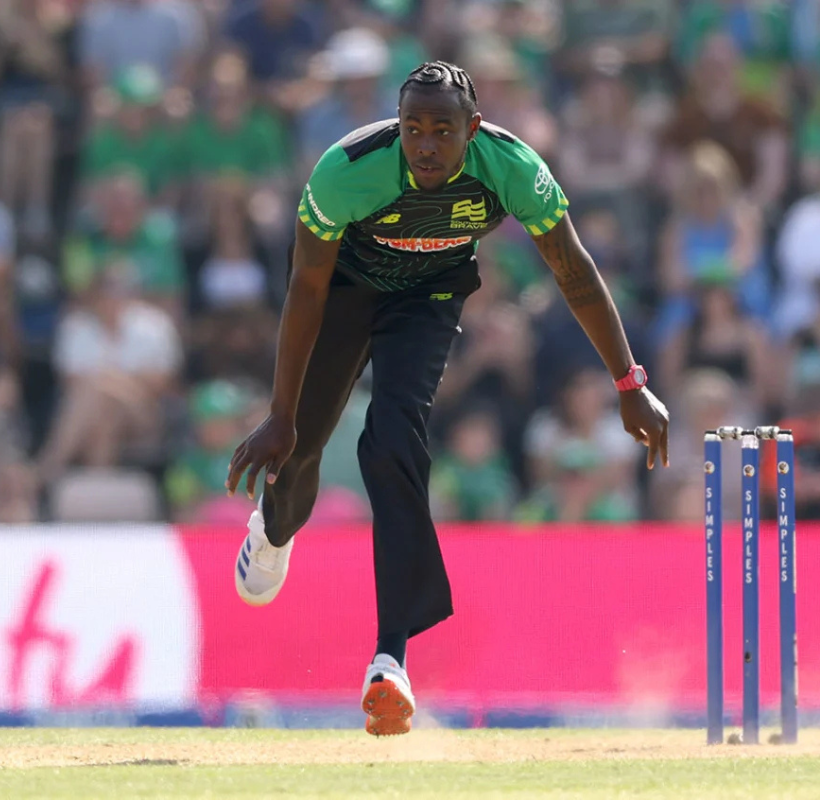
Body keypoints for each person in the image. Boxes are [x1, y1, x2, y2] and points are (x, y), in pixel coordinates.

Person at [223, 62, 670, 737]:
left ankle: (390, 659)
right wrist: (281, 416)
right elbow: (306, 289)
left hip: (428, 295)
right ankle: (273, 529)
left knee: (393, 438)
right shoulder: (346, 170)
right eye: (413, 130)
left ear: (474, 129)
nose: (426, 146)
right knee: (302, 448)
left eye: (442, 131)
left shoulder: (511, 167)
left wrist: (629, 383)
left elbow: (572, 268)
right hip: (345, 288)